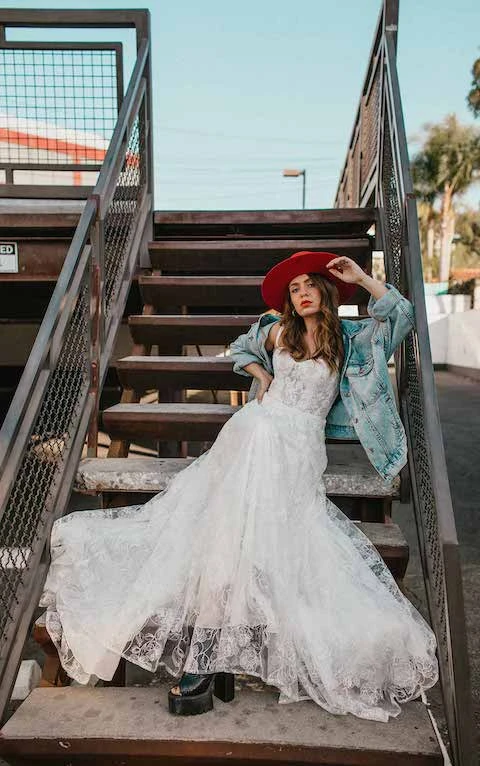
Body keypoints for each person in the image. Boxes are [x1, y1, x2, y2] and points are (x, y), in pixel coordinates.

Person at [40, 250, 439, 723]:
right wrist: (263, 374)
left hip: (300, 448)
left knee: (269, 540)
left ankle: (210, 662)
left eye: (310, 284)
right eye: (295, 288)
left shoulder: (352, 340)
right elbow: (242, 346)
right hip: (254, 433)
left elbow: (402, 317)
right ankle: (204, 661)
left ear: (328, 290)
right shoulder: (278, 330)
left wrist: (362, 277)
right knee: (226, 536)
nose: (303, 293)